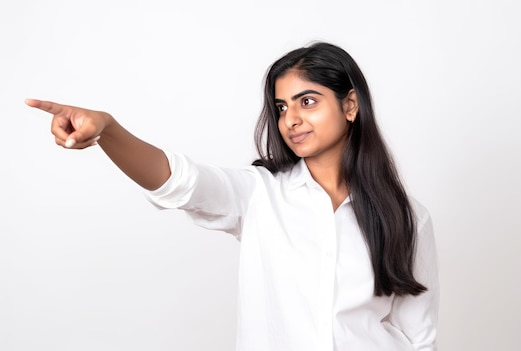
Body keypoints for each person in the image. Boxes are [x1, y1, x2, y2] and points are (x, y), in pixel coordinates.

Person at [26, 41, 439, 351]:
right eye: (280, 107)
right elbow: (179, 181)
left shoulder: (406, 217)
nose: (290, 119)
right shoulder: (259, 194)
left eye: (307, 102)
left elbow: (417, 336)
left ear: (350, 106)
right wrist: (108, 130)